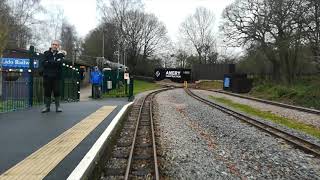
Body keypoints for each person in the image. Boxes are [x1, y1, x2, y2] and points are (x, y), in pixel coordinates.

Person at [41, 40, 66, 113]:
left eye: (56, 45)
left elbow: (60, 63)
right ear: (51, 45)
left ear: (58, 46)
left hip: (56, 76)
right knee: (47, 91)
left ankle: (58, 107)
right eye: (53, 44)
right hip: (47, 76)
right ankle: (47, 107)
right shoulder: (46, 53)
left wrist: (49, 62)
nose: (54, 46)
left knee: (57, 91)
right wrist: (55, 62)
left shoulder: (60, 55)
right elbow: (43, 63)